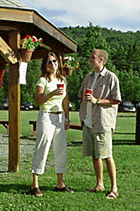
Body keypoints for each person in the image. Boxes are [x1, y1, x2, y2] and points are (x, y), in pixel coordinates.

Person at [78, 49, 121, 199]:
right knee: (95, 156)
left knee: (107, 155)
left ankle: (114, 188)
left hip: (102, 122)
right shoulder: (88, 77)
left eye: (92, 57)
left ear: (101, 60)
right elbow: (81, 95)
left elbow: (116, 99)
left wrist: (97, 101)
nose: (90, 60)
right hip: (88, 122)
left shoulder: (111, 77)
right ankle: (99, 184)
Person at [30, 52, 72, 197]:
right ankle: (35, 184)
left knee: (60, 149)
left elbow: (65, 101)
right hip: (46, 117)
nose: (53, 63)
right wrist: (52, 93)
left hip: (59, 117)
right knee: (43, 147)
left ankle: (60, 183)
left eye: (54, 61)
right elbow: (38, 100)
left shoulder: (63, 80)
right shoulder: (43, 81)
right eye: (49, 62)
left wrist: (67, 118)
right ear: (46, 66)